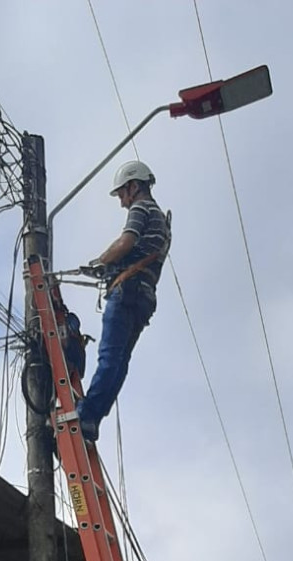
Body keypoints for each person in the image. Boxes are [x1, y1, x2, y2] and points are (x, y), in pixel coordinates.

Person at [75, 160, 171, 442]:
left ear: (134, 186)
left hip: (127, 291)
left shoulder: (142, 209)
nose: (121, 202)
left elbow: (126, 242)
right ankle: (93, 419)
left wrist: (100, 262)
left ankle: (86, 414)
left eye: (121, 193)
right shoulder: (161, 220)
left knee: (109, 357)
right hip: (144, 299)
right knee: (119, 361)